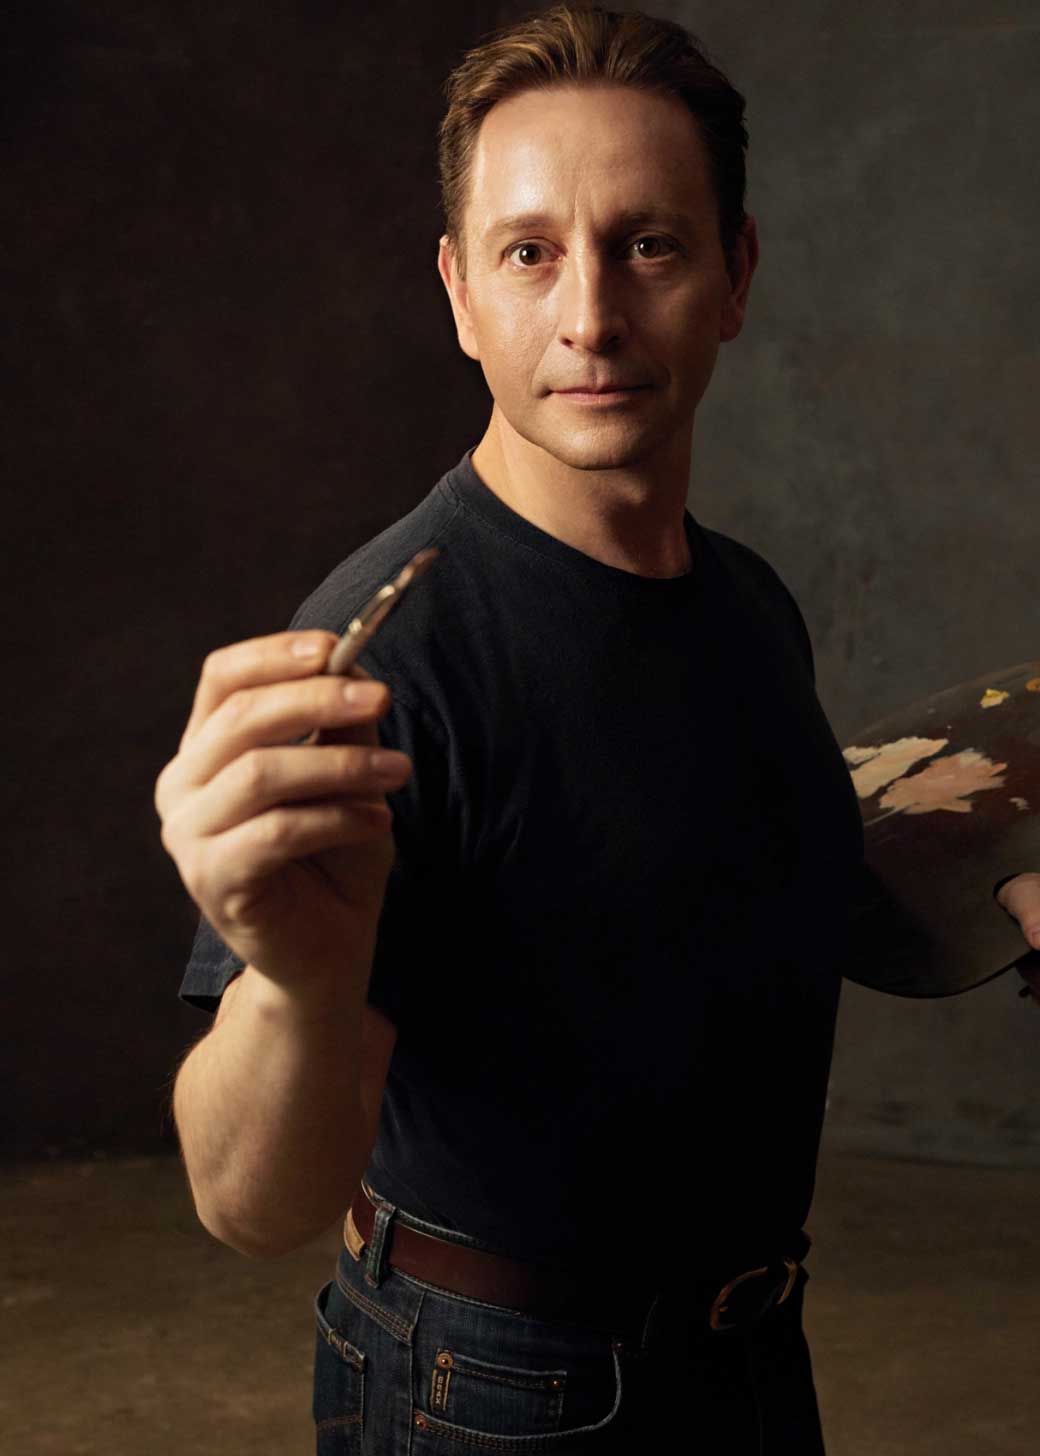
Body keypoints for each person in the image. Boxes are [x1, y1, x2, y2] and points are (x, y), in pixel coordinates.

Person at [156, 6, 1040, 1451]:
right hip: (495, 1392)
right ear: (459, 293)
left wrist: (1003, 885)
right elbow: (246, 1201)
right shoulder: (387, 658)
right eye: (529, 253)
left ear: (735, 274)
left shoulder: (746, 602)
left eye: (649, 245)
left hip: (751, 1353)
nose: (590, 318)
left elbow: (750, 889)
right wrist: (302, 988)